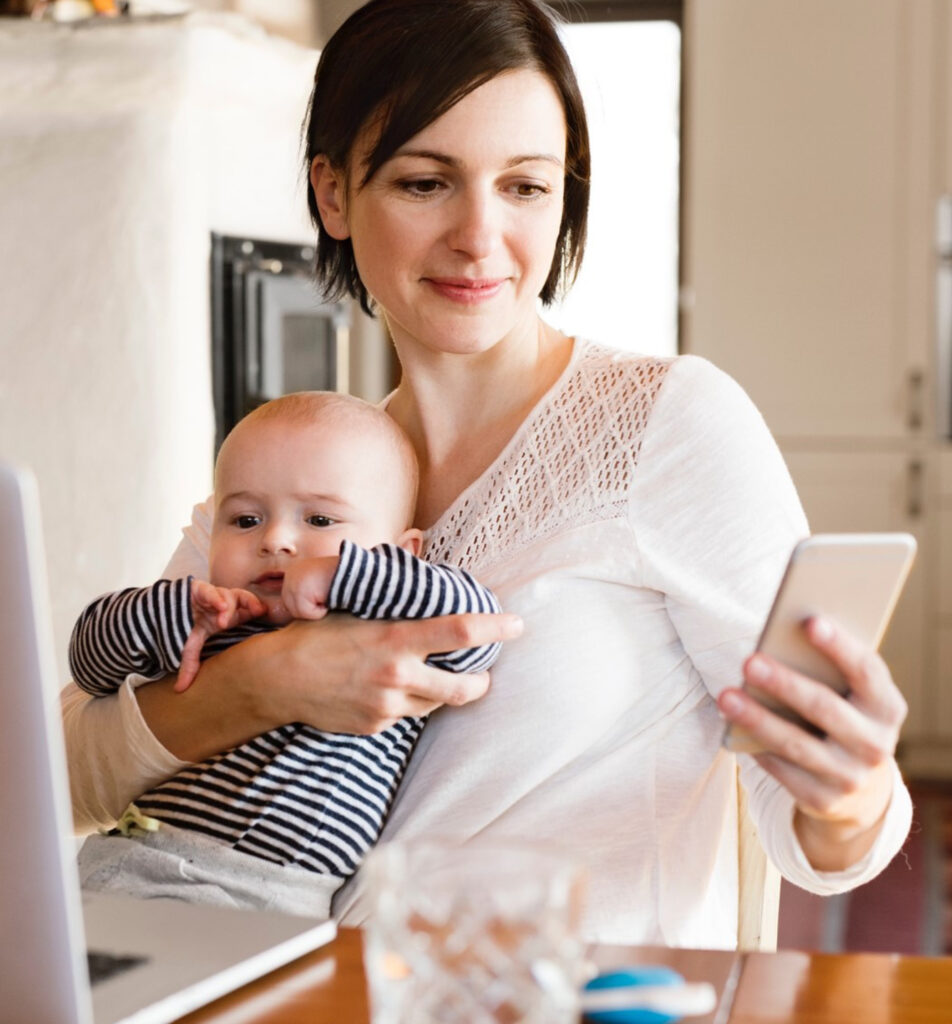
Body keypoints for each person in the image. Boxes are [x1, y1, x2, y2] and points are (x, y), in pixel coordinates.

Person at [61, 0, 913, 947]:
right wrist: (271, 681)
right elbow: (63, 770)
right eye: (426, 183)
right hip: (309, 996)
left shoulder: (668, 424)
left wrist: (850, 793)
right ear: (334, 193)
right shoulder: (298, 468)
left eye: (525, 187)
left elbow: (823, 837)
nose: (479, 236)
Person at [67, 391, 501, 919]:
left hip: (276, 901)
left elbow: (476, 631)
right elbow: (89, 662)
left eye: (320, 521)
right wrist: (175, 610)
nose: (276, 539)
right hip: (133, 866)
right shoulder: (215, 618)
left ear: (402, 553)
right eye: (245, 520)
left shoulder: (392, 628)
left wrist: (345, 576)